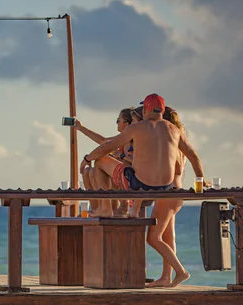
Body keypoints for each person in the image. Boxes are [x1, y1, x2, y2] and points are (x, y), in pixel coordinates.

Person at [80, 93, 208, 287]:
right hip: (165, 188)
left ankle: (105, 207)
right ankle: (172, 274)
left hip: (140, 185)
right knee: (164, 235)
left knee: (100, 162)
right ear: (162, 110)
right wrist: (201, 179)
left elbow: (107, 146)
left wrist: (87, 159)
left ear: (146, 109)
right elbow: (193, 155)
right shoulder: (174, 130)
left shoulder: (136, 128)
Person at [146, 106, 187, 288]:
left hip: (168, 193)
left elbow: (175, 169)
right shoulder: (177, 139)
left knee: (153, 238)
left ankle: (180, 271)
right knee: (168, 238)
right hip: (176, 193)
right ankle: (166, 277)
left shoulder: (169, 142)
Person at [75, 108, 134, 215]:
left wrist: (121, 156)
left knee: (98, 163)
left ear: (126, 124)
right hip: (120, 177)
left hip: (128, 179)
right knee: (88, 171)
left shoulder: (132, 139)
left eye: (118, 120)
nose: (116, 123)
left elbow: (133, 162)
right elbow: (103, 142)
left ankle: (117, 207)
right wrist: (81, 128)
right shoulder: (122, 138)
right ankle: (97, 208)